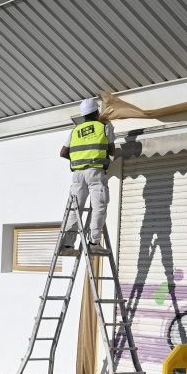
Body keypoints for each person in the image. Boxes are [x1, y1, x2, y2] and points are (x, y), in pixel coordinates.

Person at [59, 98, 115, 257]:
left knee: (74, 210)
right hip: (95, 173)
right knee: (99, 206)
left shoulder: (74, 131)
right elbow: (112, 152)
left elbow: (63, 153)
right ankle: (94, 243)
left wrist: (78, 158)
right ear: (97, 113)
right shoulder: (104, 128)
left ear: (83, 116)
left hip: (77, 175)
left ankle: (68, 245)